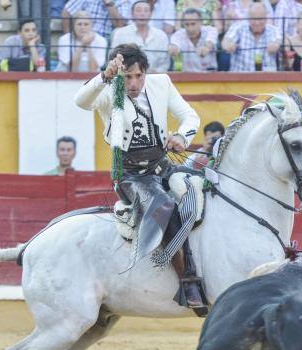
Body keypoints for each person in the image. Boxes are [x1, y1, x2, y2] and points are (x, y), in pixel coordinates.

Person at [74, 44, 204, 310]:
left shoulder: (161, 83)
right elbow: (81, 101)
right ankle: (187, 279)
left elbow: (189, 115)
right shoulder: (109, 90)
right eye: (127, 77)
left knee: (205, 187)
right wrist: (106, 77)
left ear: (145, 72)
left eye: (138, 76)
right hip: (130, 173)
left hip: (162, 165)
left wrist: (181, 136)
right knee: (164, 205)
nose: (133, 83)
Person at [109, 0, 169, 72]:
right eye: (138, 10)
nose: (142, 14)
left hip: (154, 77)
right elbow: (113, 58)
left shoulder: (161, 35)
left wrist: (156, 72)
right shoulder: (121, 33)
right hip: (127, 77)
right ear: (132, 14)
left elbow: (165, 64)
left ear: (151, 14)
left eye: (146, 11)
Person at [222, 2, 282, 71]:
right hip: (240, 79)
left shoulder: (273, 30)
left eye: (260, 19)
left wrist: (276, 45)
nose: (257, 23)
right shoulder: (238, 27)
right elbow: (226, 41)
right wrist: (228, 45)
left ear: (266, 18)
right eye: (253, 18)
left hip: (266, 79)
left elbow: (279, 40)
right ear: (248, 18)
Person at [170, 7, 218, 72]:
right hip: (187, 77)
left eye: (193, 24)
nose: (190, 29)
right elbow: (174, 44)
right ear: (183, 24)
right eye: (187, 24)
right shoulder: (178, 35)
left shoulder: (210, 30)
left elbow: (211, 41)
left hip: (210, 76)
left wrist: (206, 47)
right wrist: (173, 49)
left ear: (201, 22)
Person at [61, 0, 130, 39]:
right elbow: (67, 12)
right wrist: (69, 37)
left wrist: (109, 3)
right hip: (82, 35)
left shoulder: (122, 1)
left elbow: (120, 25)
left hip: (106, 40)